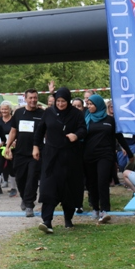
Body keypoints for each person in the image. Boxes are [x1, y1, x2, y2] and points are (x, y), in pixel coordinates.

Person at [32, 88, 86, 233]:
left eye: (63, 101)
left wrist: (76, 135)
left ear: (68, 101)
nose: (60, 104)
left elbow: (83, 129)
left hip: (70, 156)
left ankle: (68, 218)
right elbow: (40, 130)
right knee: (49, 187)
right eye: (58, 101)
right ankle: (47, 221)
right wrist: (36, 147)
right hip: (51, 156)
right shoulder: (48, 112)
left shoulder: (76, 114)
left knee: (69, 188)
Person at [83, 94, 133, 223]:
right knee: (92, 182)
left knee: (102, 180)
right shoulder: (86, 119)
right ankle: (95, 207)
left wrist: (129, 153)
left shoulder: (110, 120)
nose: (89, 106)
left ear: (99, 105)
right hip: (89, 155)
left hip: (105, 155)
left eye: (91, 104)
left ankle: (105, 209)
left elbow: (119, 137)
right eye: (88, 104)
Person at [5, 89, 44, 218]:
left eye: (35, 97)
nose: (33, 100)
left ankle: (29, 205)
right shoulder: (18, 113)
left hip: (36, 153)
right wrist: (8, 146)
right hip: (20, 152)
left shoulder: (42, 114)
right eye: (30, 98)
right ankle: (24, 197)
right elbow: (13, 131)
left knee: (32, 179)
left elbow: (47, 133)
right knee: (20, 178)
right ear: (25, 98)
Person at [0, 101, 17, 197]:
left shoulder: (14, 120)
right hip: (1, 146)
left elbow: (17, 132)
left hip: (12, 147)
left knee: (11, 167)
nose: (4, 111)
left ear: (10, 110)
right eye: (2, 109)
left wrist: (15, 141)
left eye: (6, 109)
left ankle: (13, 188)